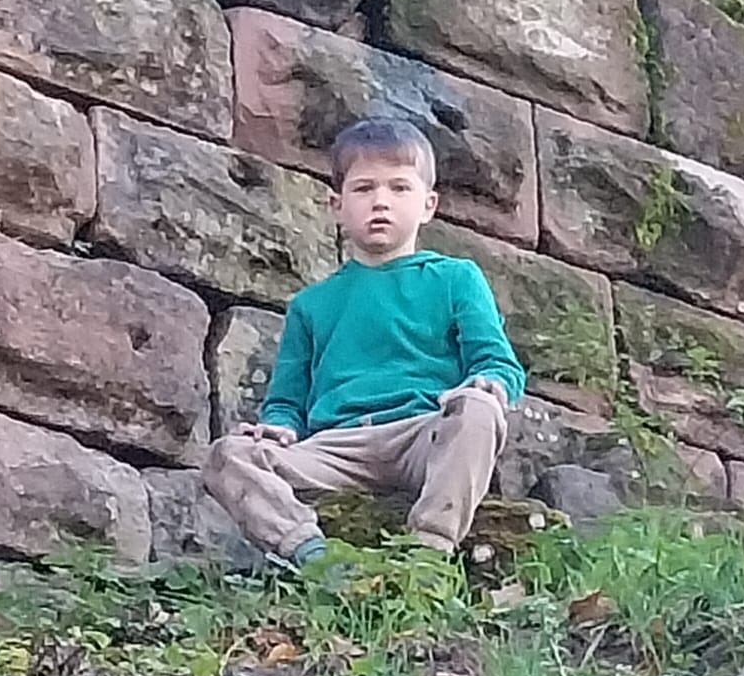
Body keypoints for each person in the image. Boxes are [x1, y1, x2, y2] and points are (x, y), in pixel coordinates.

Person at [202, 117, 526, 567]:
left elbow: (498, 363)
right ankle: (313, 557)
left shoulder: (456, 278)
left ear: (428, 204)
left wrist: (489, 384)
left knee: (478, 411)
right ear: (336, 205)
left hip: (422, 435)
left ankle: (429, 553)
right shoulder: (311, 305)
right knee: (227, 455)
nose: (381, 201)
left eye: (399, 188)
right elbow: (286, 403)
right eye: (364, 188)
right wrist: (279, 427)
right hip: (337, 447)